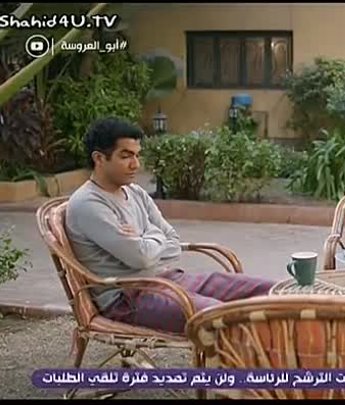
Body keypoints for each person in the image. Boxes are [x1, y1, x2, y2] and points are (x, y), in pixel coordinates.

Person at [65, 117, 274, 335]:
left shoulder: (135, 192)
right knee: (222, 316)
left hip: (167, 279)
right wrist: (151, 239)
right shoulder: (88, 204)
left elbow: (173, 243)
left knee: (266, 290)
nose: (136, 164)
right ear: (99, 158)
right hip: (128, 298)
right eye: (125, 156)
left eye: (137, 155)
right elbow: (141, 258)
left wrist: (144, 238)